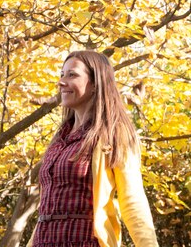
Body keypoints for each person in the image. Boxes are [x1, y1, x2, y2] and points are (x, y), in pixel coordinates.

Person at [29, 50, 159, 247]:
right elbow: (46, 210)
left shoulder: (114, 134)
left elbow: (132, 200)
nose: (62, 82)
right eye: (62, 74)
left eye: (72, 75)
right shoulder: (59, 139)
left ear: (95, 83)